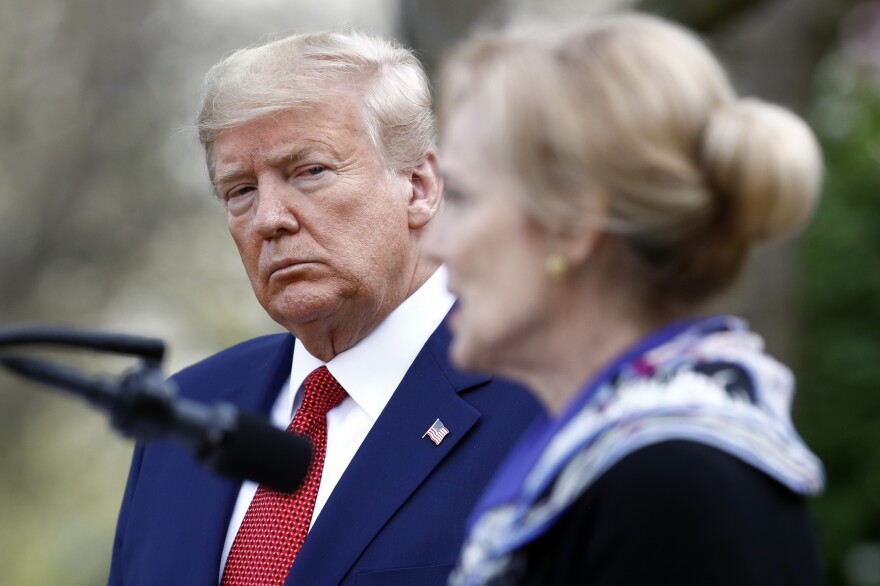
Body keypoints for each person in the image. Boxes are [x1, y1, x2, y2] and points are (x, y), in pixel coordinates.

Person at [107, 30, 542, 586]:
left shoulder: (540, 393)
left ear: (420, 186)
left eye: (309, 172)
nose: (269, 218)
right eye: (240, 190)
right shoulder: (185, 414)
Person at [423, 13, 826, 585]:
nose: (435, 243)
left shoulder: (673, 490)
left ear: (573, 224)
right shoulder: (617, 462)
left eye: (460, 197)